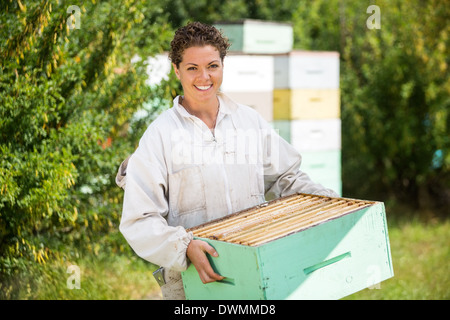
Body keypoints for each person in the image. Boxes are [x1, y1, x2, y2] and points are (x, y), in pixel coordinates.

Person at [116, 21, 338, 300]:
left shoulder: (247, 121)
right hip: (193, 282)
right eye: (192, 68)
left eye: (212, 66)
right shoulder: (159, 136)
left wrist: (330, 202)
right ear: (176, 70)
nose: (204, 77)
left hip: (256, 268)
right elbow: (139, 220)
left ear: (223, 65)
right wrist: (184, 247)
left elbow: (287, 177)